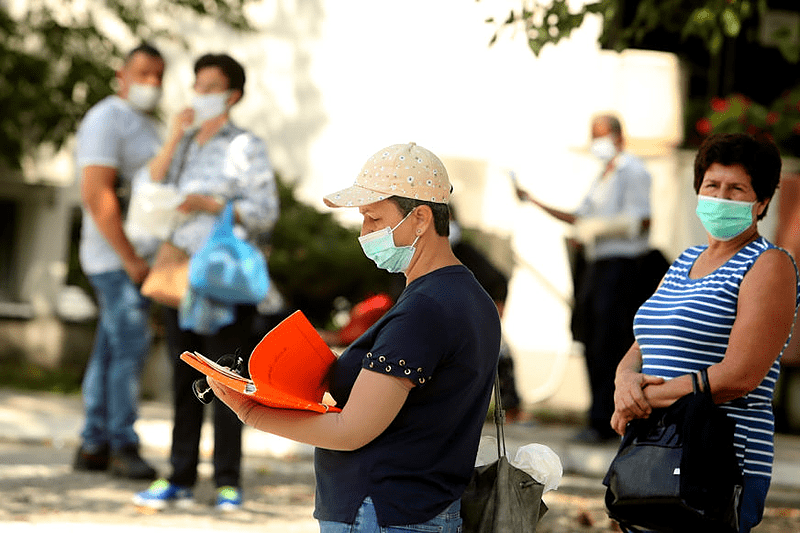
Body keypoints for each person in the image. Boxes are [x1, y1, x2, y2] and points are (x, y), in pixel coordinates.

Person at [208, 142, 501, 532]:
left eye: (374, 218)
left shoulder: (424, 309)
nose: (364, 233)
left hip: (382, 512)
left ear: (421, 218)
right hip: (419, 509)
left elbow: (352, 431)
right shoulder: (470, 297)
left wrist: (252, 412)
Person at [611, 133, 799, 533]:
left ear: (761, 202)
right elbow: (644, 339)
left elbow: (740, 377)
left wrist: (644, 398)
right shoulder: (686, 260)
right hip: (653, 447)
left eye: (737, 189)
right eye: (712, 186)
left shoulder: (769, 265)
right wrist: (624, 381)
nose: (721, 197)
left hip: (716, 460)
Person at [133, 53, 279, 511]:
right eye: (196, 84)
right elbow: (149, 185)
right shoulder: (184, 141)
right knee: (182, 381)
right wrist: (175, 135)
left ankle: (228, 483)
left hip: (223, 280)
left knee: (228, 381)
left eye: (210, 86)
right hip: (180, 276)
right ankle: (178, 476)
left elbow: (265, 213)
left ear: (231, 95)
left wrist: (211, 205)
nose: (200, 94)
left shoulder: (247, 146)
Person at [515, 113, 655, 443]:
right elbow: (580, 219)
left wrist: (595, 230)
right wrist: (533, 200)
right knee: (591, 339)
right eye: (593, 135)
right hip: (596, 266)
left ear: (620, 137)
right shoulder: (601, 177)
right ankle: (597, 417)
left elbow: (642, 221)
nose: (597, 143)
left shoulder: (631, 169)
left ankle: (612, 420)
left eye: (602, 135)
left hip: (622, 266)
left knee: (611, 343)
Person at [73, 43, 166, 479]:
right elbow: (96, 193)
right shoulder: (106, 117)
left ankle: (93, 443)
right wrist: (130, 259)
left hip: (139, 258)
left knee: (110, 350)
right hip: (114, 259)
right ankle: (121, 443)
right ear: (121, 74)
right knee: (130, 346)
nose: (151, 84)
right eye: (143, 73)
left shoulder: (147, 124)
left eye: (158, 76)